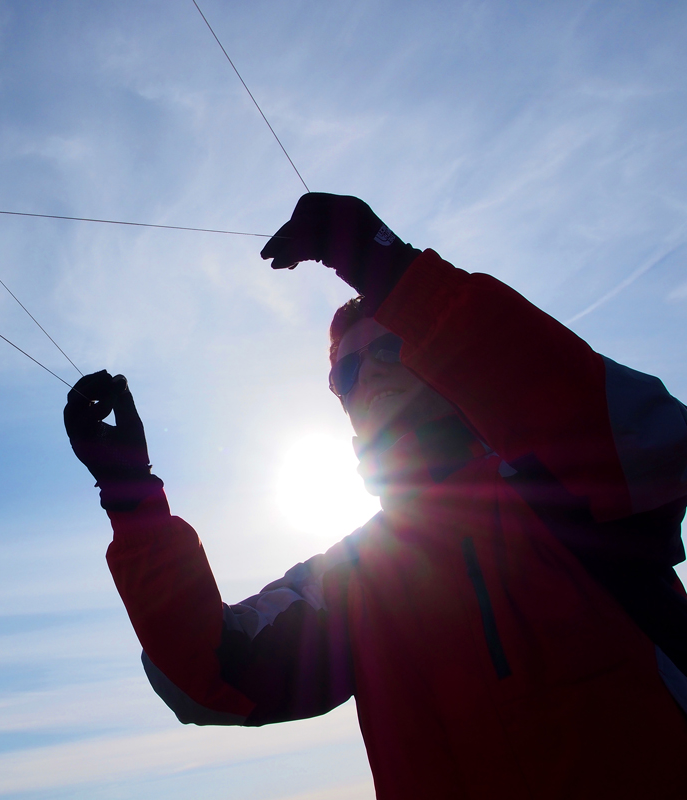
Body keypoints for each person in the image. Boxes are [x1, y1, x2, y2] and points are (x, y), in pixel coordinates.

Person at [63, 193, 687, 798]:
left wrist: (389, 266)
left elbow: (653, 444)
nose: (372, 374)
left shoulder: (560, 483)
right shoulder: (351, 579)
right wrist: (131, 497)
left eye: (391, 347)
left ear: (440, 351)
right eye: (349, 371)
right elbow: (207, 680)